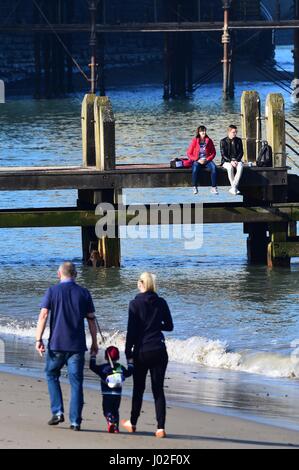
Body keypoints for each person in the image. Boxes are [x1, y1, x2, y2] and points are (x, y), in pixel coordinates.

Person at [35, 261, 98, 431]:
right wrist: (94, 342)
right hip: (77, 346)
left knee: (51, 373)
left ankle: (57, 412)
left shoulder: (52, 291)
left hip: (56, 344)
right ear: (75, 274)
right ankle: (75, 421)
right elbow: (91, 319)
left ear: (59, 274)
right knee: (76, 382)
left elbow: (43, 315)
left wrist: (38, 339)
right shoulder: (84, 293)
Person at [122, 272, 174, 439]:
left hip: (141, 350)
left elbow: (132, 331)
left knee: (139, 388)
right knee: (158, 389)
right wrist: (155, 324)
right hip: (159, 349)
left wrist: (127, 350)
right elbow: (170, 326)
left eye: (139, 281)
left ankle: (133, 422)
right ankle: (160, 428)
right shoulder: (161, 302)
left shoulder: (134, 304)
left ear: (141, 284)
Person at [90, 345, 133, 434]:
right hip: (117, 394)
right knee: (115, 410)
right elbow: (129, 373)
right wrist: (130, 363)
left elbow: (92, 367)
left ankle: (110, 420)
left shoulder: (103, 368)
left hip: (107, 394)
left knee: (107, 410)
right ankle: (116, 427)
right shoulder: (120, 367)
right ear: (118, 357)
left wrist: (93, 355)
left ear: (106, 357)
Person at [187, 125, 218, 195]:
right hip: (197, 160)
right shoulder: (195, 140)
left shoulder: (209, 140)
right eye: (201, 131)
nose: (203, 132)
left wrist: (207, 159)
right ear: (198, 132)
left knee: (214, 168)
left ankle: (214, 187)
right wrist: (197, 159)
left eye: (204, 131)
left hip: (207, 160)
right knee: (195, 169)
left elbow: (213, 152)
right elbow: (189, 153)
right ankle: (194, 186)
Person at [220, 125, 244, 195]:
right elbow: (223, 154)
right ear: (229, 132)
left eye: (236, 132)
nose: (235, 134)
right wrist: (231, 161)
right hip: (226, 161)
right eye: (233, 132)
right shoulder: (223, 141)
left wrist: (236, 160)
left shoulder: (239, 140)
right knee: (230, 168)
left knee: (240, 166)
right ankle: (235, 188)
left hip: (237, 160)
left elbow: (241, 152)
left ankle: (233, 188)